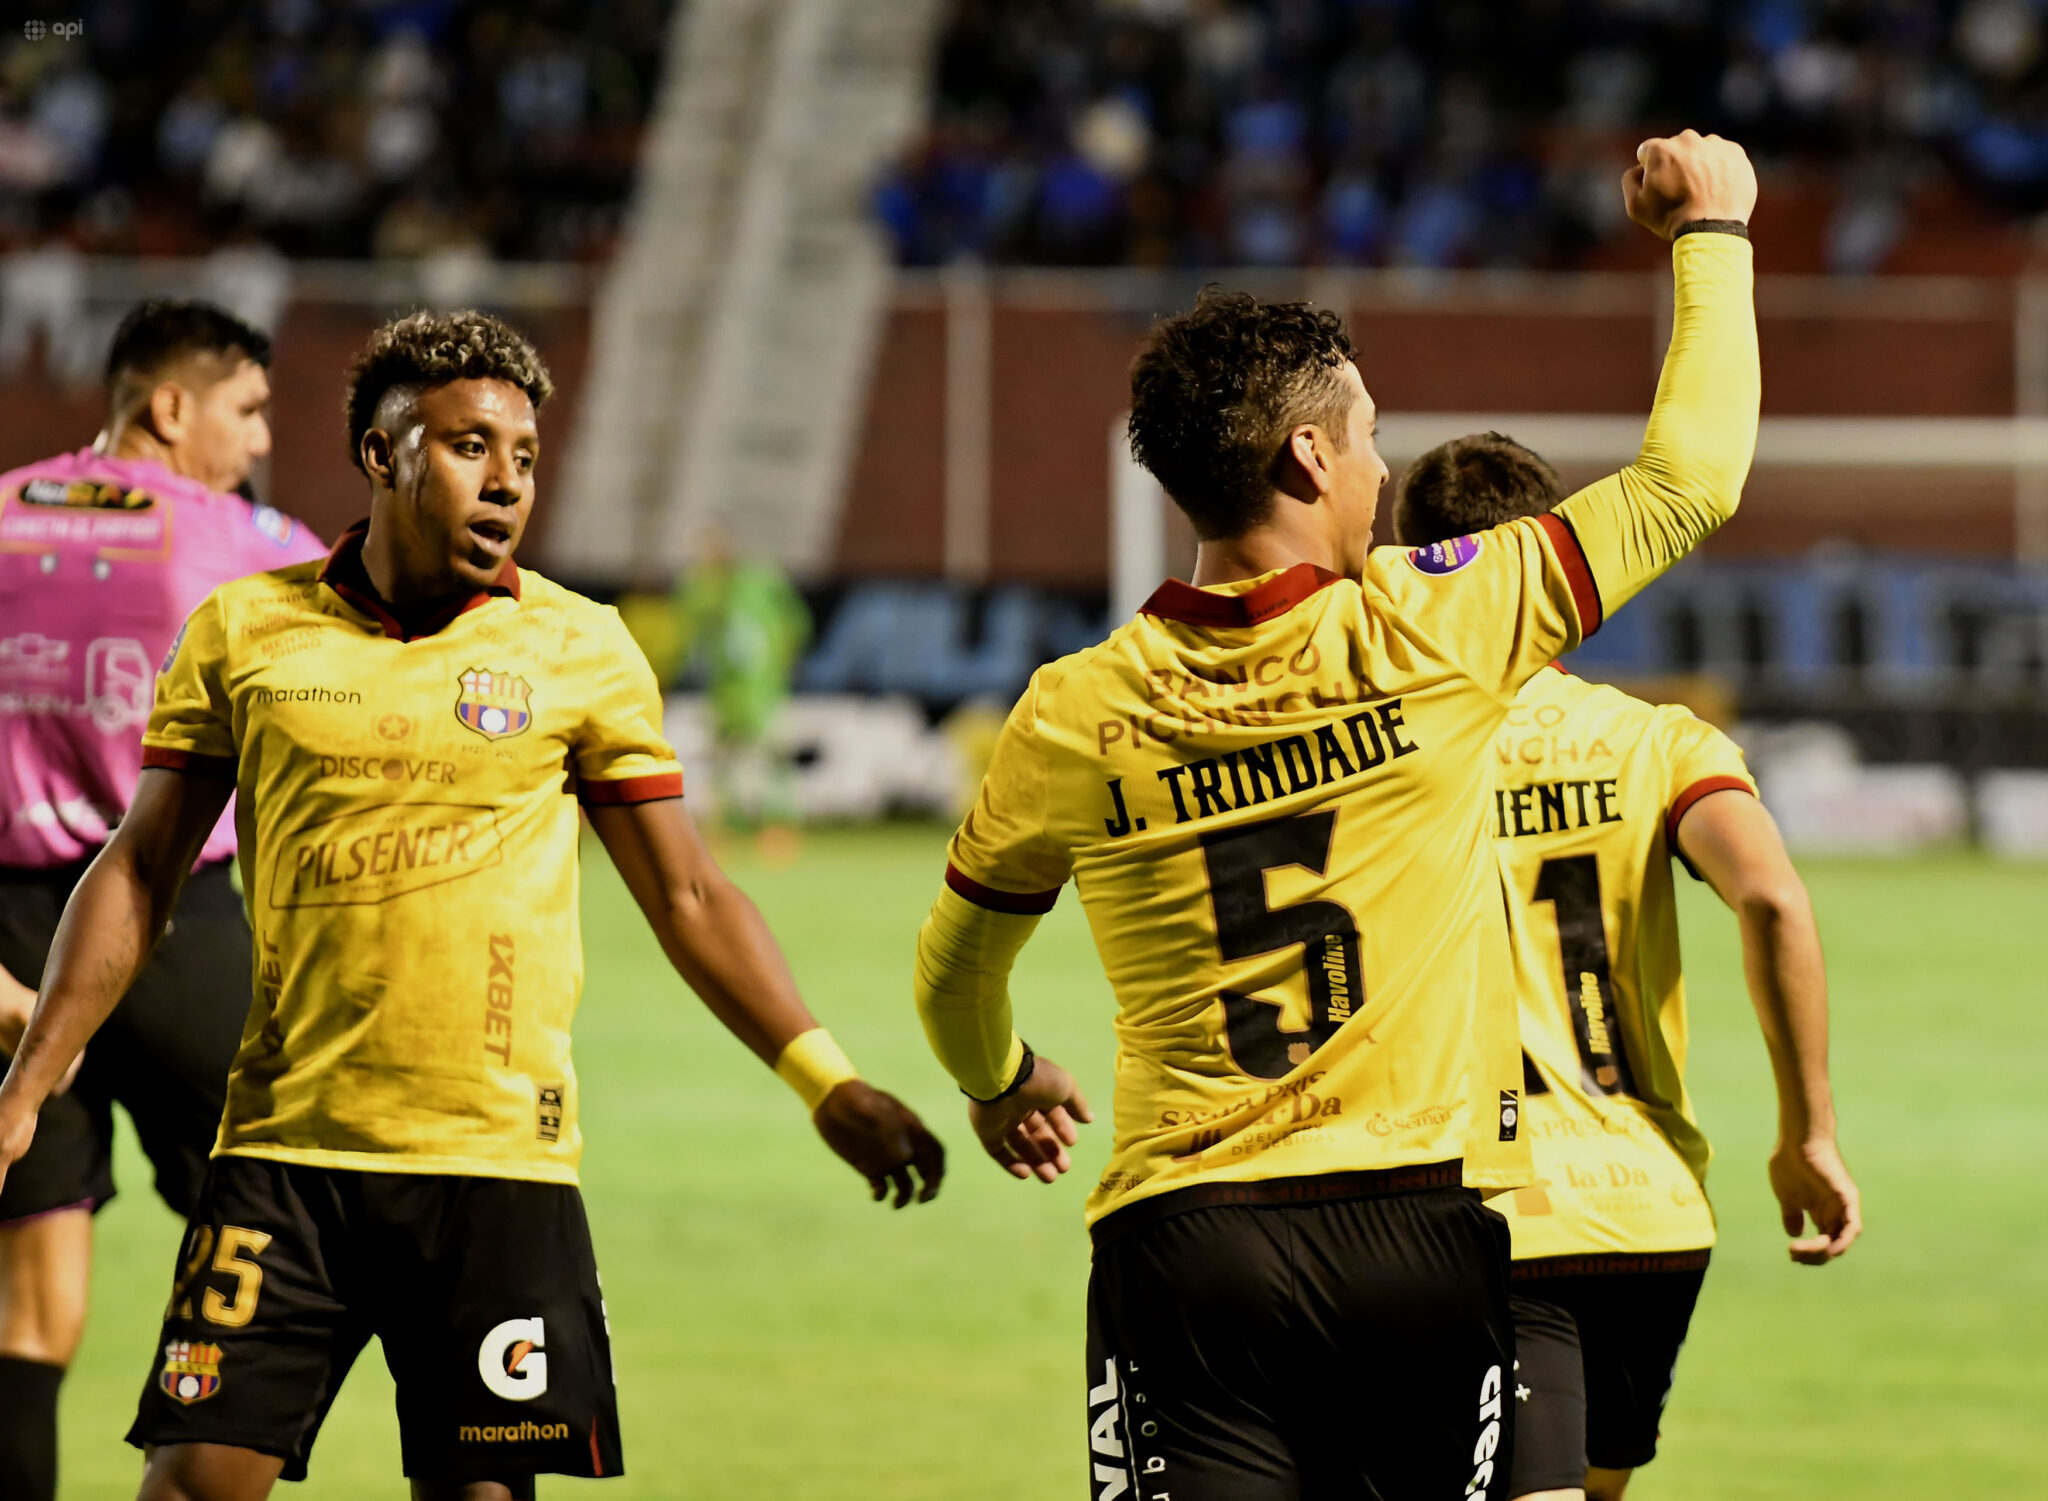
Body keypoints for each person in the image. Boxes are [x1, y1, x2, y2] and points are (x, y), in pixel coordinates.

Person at [911, 131, 1760, 1500]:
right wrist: (1711, 234)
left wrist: (998, 1079)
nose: (1380, 465)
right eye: (1367, 434)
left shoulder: (1073, 709)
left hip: (1189, 1246)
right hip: (1420, 1231)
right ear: (1309, 455)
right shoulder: (1435, 622)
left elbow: (953, 969)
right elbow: (1689, 480)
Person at [0, 309, 945, 1501]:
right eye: (467, 446)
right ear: (380, 452)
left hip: (498, 1166)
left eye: (526, 456)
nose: (506, 481)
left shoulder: (580, 648)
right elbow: (140, 869)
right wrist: (26, 1086)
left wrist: (824, 1078)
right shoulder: (244, 629)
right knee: (190, 1484)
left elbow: (690, 891)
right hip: (286, 1154)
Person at [1392, 429, 1862, 1501]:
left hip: (1483, 1210)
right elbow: (1772, 897)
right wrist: (1808, 1132)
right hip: (1651, 1211)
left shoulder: (1389, 750)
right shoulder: (1657, 741)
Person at [0, 299, 327, 1501]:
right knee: (262, 1246)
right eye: (247, 409)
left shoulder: (1, 512)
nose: (259, 439)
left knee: (29, 1312)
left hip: (11, 939)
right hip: (171, 916)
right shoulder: (247, 540)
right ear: (171, 405)